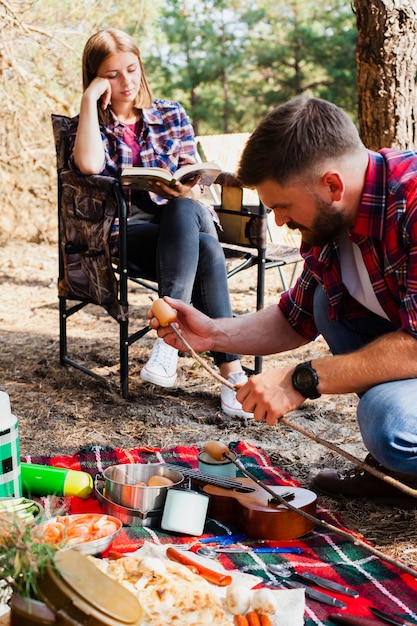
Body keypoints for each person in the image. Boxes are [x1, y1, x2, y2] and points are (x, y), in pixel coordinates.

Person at [152, 95, 417, 506]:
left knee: (392, 425)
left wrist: (301, 379)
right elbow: (294, 318)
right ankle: (400, 473)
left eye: (282, 206)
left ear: (331, 184)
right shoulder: (333, 220)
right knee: (322, 305)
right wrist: (211, 333)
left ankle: (401, 462)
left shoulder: (411, 203)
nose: (278, 221)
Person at [67, 28, 252, 418]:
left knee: (187, 215)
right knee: (205, 247)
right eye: (112, 75)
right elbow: (87, 165)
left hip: (182, 220)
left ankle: (169, 344)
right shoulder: (89, 124)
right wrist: (88, 101)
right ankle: (233, 376)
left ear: (142, 67)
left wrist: (186, 188)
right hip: (127, 232)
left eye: (132, 70)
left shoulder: (171, 113)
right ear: (96, 77)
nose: (126, 82)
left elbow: (192, 178)